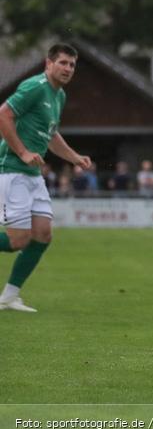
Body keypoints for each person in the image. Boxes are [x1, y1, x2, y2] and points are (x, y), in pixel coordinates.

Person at [0, 44, 91, 312]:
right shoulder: (35, 87)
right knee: (19, 240)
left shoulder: (59, 95)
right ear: (48, 64)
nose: (67, 69)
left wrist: (74, 157)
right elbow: (3, 114)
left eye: (72, 65)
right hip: (12, 170)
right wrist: (23, 151)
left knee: (43, 234)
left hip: (32, 175)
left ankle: (8, 297)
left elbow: (50, 136)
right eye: (63, 63)